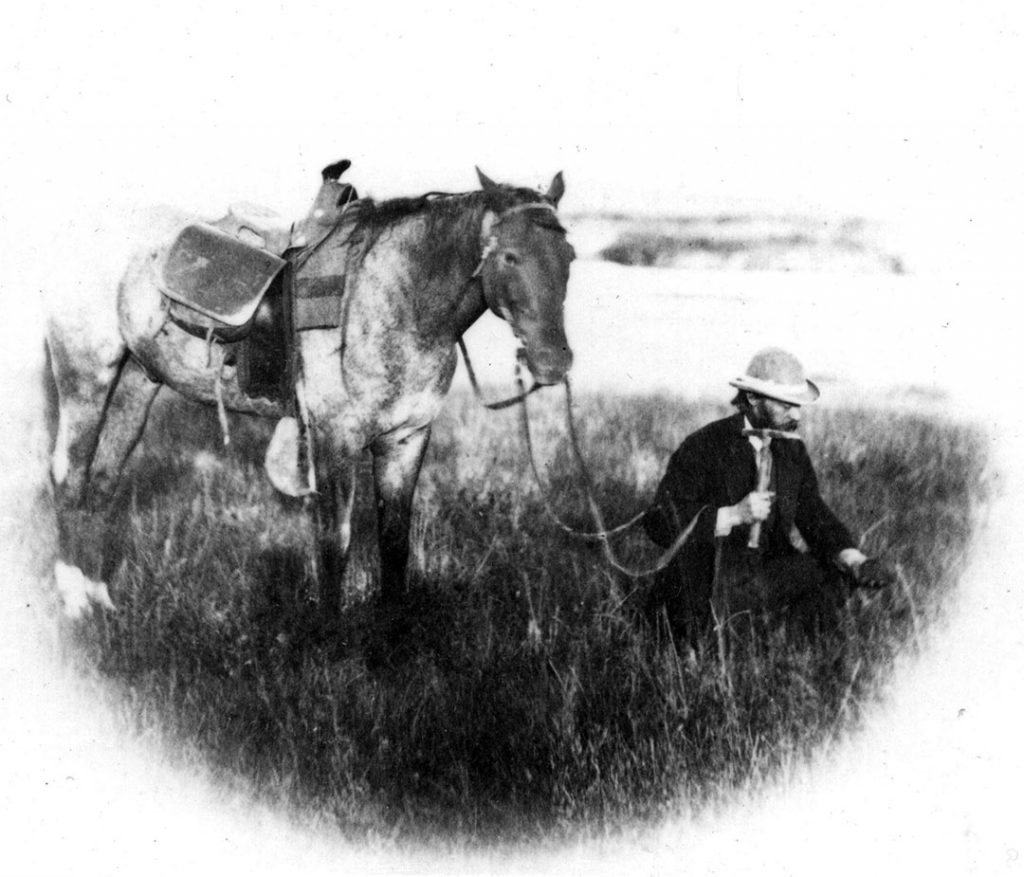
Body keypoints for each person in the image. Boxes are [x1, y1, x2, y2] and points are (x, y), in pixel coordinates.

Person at [642, 347, 895, 642]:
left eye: (799, 405)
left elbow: (813, 514)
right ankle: (726, 640)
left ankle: (787, 646)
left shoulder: (791, 450)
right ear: (752, 398)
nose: (797, 414)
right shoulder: (705, 445)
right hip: (711, 580)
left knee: (837, 573)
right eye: (786, 405)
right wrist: (733, 515)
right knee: (704, 628)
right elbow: (658, 521)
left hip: (765, 575)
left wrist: (854, 559)